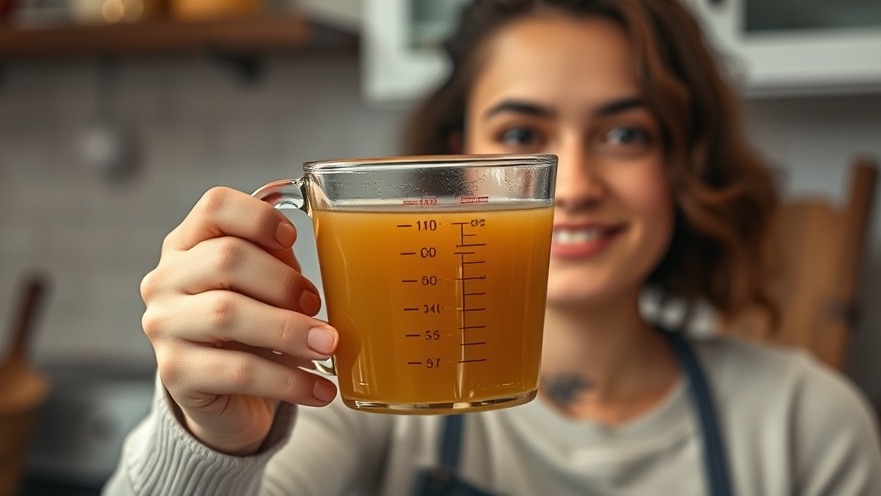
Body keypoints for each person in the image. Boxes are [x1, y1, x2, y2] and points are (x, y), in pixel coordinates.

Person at [103, 0, 881, 494]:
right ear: (451, 165)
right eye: (519, 136)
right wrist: (210, 446)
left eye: (624, 134)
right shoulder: (358, 399)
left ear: (684, 165)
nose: (571, 183)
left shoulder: (808, 425)